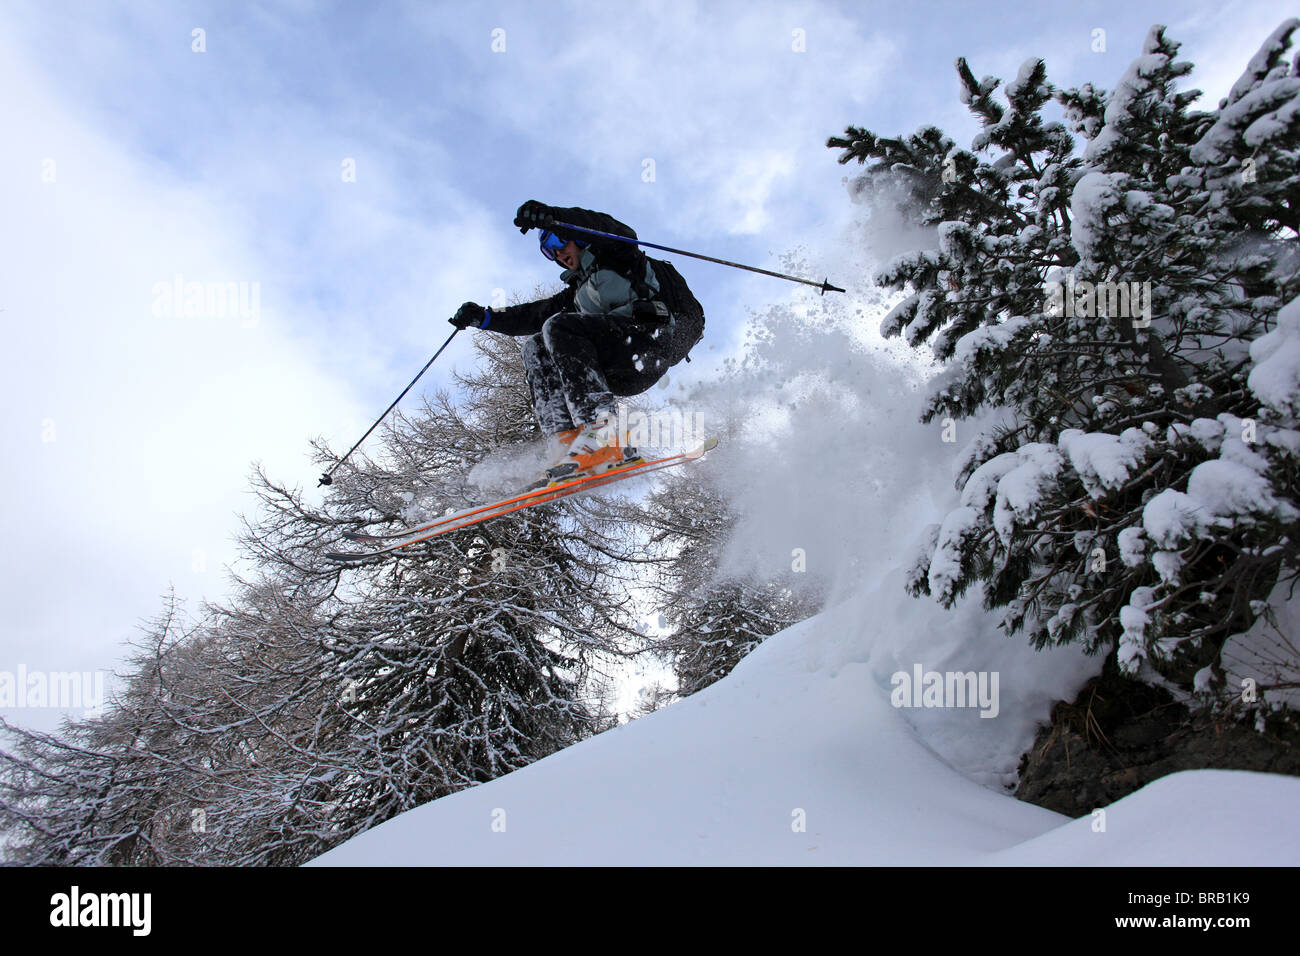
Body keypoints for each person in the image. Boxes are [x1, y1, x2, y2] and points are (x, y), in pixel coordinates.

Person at [450, 200, 705, 487]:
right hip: (620, 370)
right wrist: (484, 317)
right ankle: (565, 445)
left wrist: (555, 217)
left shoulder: (619, 255)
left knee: (559, 327)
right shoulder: (576, 293)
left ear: (577, 236)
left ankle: (603, 436)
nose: (558, 253)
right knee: (536, 346)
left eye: (559, 242)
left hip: (650, 344)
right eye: (549, 251)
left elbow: (611, 229)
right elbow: (532, 315)